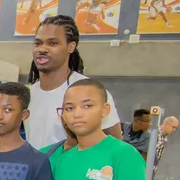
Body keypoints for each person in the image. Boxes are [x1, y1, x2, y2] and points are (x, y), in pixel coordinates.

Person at [27, 15, 120, 149]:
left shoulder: (90, 91)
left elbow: (114, 145)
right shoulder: (28, 94)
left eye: (52, 43)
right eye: (38, 43)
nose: (42, 49)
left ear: (71, 47)